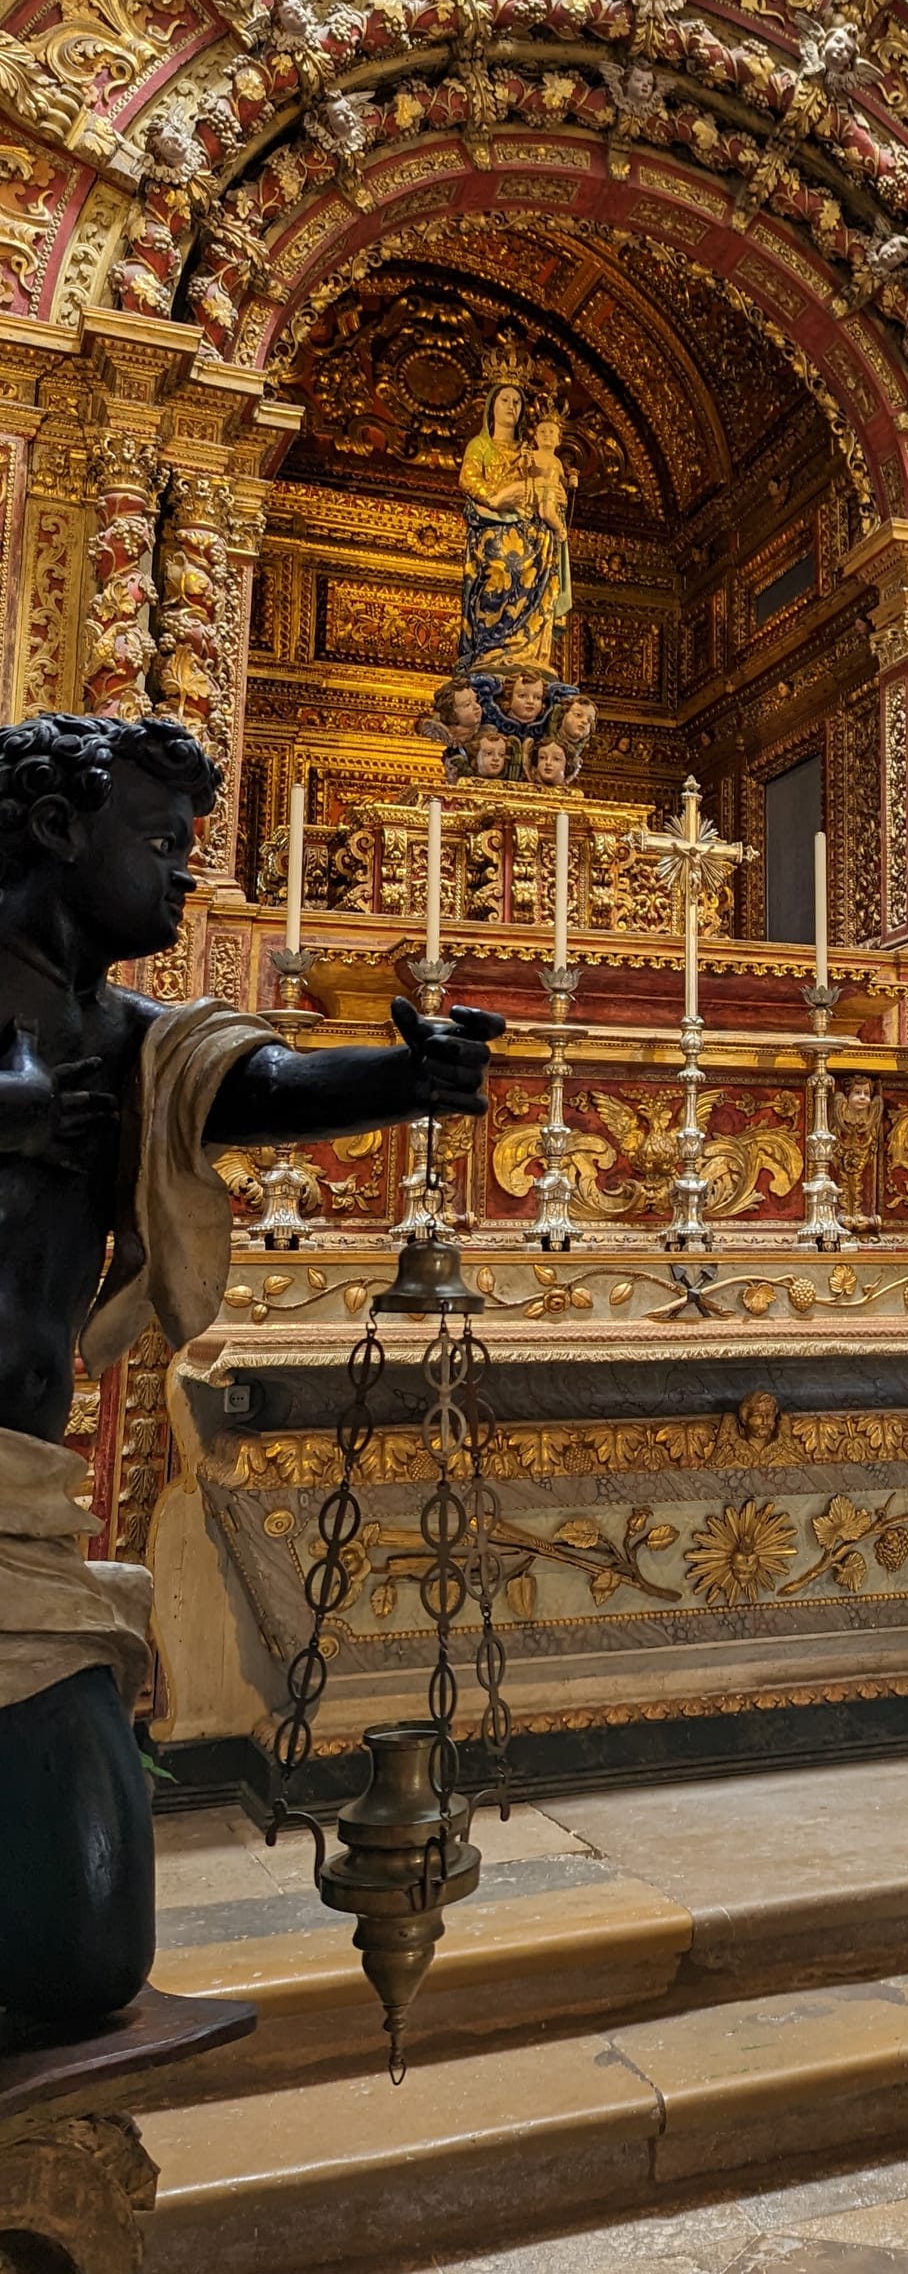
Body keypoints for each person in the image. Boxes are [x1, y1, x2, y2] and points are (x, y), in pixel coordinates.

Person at [0, 713, 502, 2028]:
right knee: (72, 1930)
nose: (186, 876)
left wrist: (410, 1077)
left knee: (86, 1936)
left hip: (16, 1505)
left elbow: (253, 1080)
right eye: (163, 844)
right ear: (58, 831)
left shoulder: (114, 1030)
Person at [456, 377, 571, 672]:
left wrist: (557, 491)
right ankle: (491, 649)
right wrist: (495, 500)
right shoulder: (480, 446)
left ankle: (527, 651)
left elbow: (544, 481)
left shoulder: (529, 451)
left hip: (532, 531)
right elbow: (469, 482)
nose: (511, 406)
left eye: (517, 402)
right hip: (493, 528)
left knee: (536, 580)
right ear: (491, 405)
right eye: (505, 400)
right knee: (500, 572)